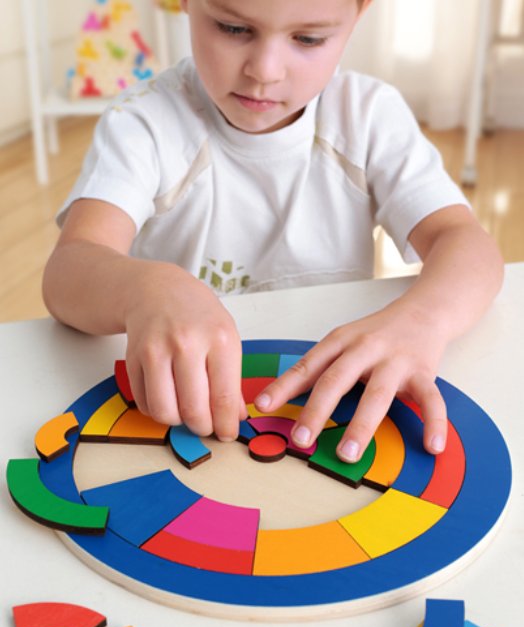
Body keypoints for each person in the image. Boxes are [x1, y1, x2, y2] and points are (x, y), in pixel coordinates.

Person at [43, 0, 504, 464]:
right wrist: (145, 289)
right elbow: (69, 268)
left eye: (308, 38)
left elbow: (463, 241)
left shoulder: (369, 115)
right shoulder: (143, 123)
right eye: (232, 27)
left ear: (359, 14)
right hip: (181, 414)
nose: (264, 71)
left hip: (325, 407)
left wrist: (422, 321)